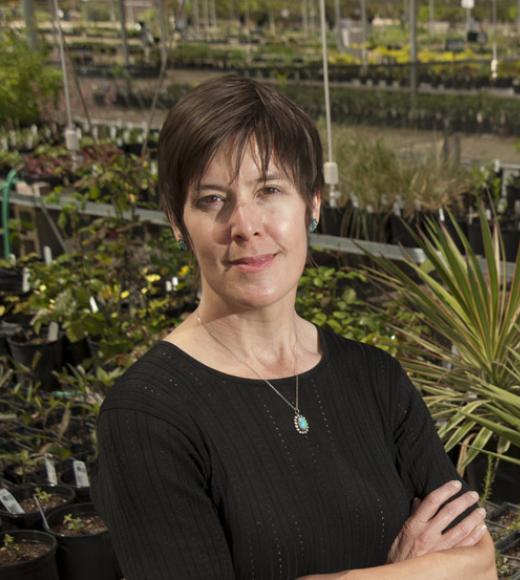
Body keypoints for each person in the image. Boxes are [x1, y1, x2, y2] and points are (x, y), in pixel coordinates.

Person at [91, 75, 497, 580]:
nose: (246, 225)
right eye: (212, 199)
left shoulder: (375, 379)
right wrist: (405, 570)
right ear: (178, 221)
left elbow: (480, 565)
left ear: (313, 203)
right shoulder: (148, 417)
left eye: (269, 190)